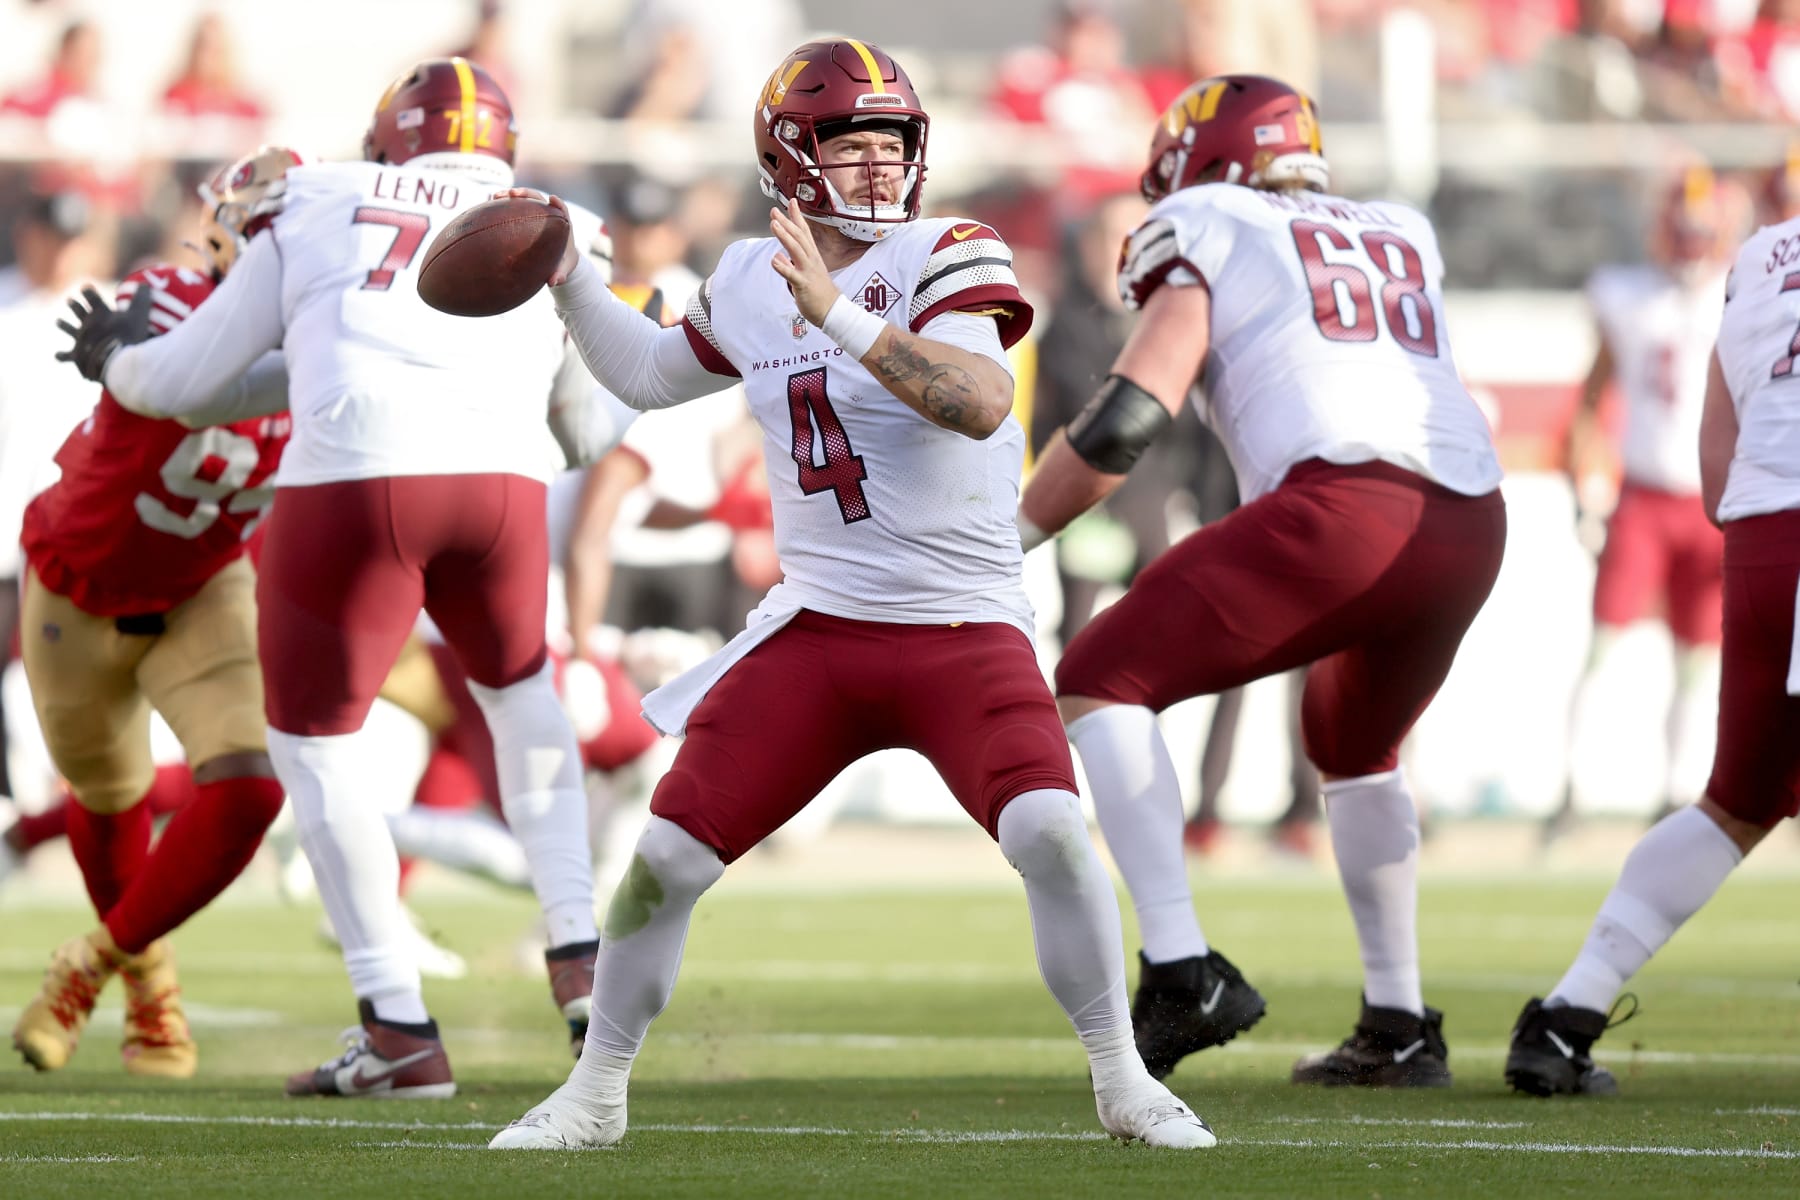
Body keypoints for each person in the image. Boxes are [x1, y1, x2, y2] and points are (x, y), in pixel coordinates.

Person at [482, 37, 1215, 1151]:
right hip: (819, 630)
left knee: (1057, 837)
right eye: (849, 141)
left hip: (963, 629)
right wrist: (572, 279)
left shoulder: (951, 247)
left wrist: (837, 314)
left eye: (891, 142)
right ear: (789, 151)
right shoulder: (747, 275)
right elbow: (640, 375)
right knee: (664, 862)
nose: (878, 165)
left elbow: (973, 400)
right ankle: (595, 1093)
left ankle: (1124, 1080)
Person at [54, 58, 638, 1097]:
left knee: (314, 746)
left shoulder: (321, 195)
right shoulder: (557, 223)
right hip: (500, 490)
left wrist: (115, 360)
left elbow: (185, 386)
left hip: (357, 485)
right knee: (521, 695)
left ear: (387, 143)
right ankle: (579, 955)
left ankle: (398, 1026)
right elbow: (587, 428)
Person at [1019, 75, 1507, 1087]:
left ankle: (1180, 965)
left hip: (1345, 507)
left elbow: (1124, 420)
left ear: (1206, 163)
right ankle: (1400, 1021)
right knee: (1352, 741)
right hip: (1469, 516)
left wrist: (1006, 532)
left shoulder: (1210, 219)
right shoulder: (1397, 227)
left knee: (1100, 676)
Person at [10, 147, 299, 1078]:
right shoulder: (170, 300)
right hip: (78, 585)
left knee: (253, 787)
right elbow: (175, 366)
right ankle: (150, 980)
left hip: (202, 588)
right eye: (262, 230)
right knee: (109, 798)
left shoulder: (337, 332)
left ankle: (92, 962)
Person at [1504, 201, 1800, 1097]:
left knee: (1736, 803)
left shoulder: (1761, 256)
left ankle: (1568, 1013)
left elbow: (1718, 476)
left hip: (1759, 537)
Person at [1546, 166, 1746, 843]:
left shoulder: (1741, 294)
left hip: (1711, 501)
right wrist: (1584, 487)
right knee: (1602, 646)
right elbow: (1591, 399)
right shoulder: (1627, 297)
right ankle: (1570, 791)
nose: (1691, 245)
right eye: (1682, 231)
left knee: (1697, 657)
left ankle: (1674, 791)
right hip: (1644, 498)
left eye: (1700, 232)